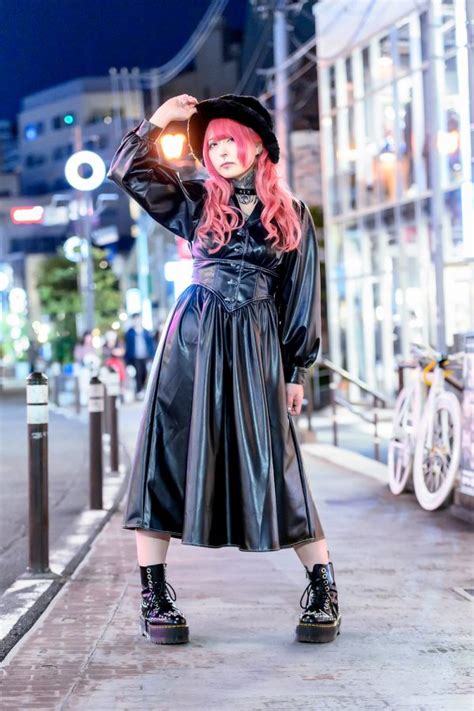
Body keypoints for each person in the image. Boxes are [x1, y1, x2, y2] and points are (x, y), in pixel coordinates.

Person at [107, 93, 341, 646]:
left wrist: (295, 370)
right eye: (211, 143)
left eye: (231, 138)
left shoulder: (293, 213)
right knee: (169, 453)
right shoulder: (194, 201)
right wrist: (161, 121)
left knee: (277, 463)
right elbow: (128, 170)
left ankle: (324, 587)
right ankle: (155, 594)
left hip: (260, 344)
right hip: (193, 340)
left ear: (258, 145)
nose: (221, 149)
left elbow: (301, 297)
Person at [124, 313, 155, 398]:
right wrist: (127, 360)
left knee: (144, 372)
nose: (137, 321)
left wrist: (152, 356)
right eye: (135, 319)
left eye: (138, 319)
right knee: (138, 373)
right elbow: (127, 347)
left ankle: (143, 389)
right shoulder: (129, 333)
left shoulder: (146, 332)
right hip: (135, 357)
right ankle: (139, 390)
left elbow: (151, 345)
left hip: (145, 356)